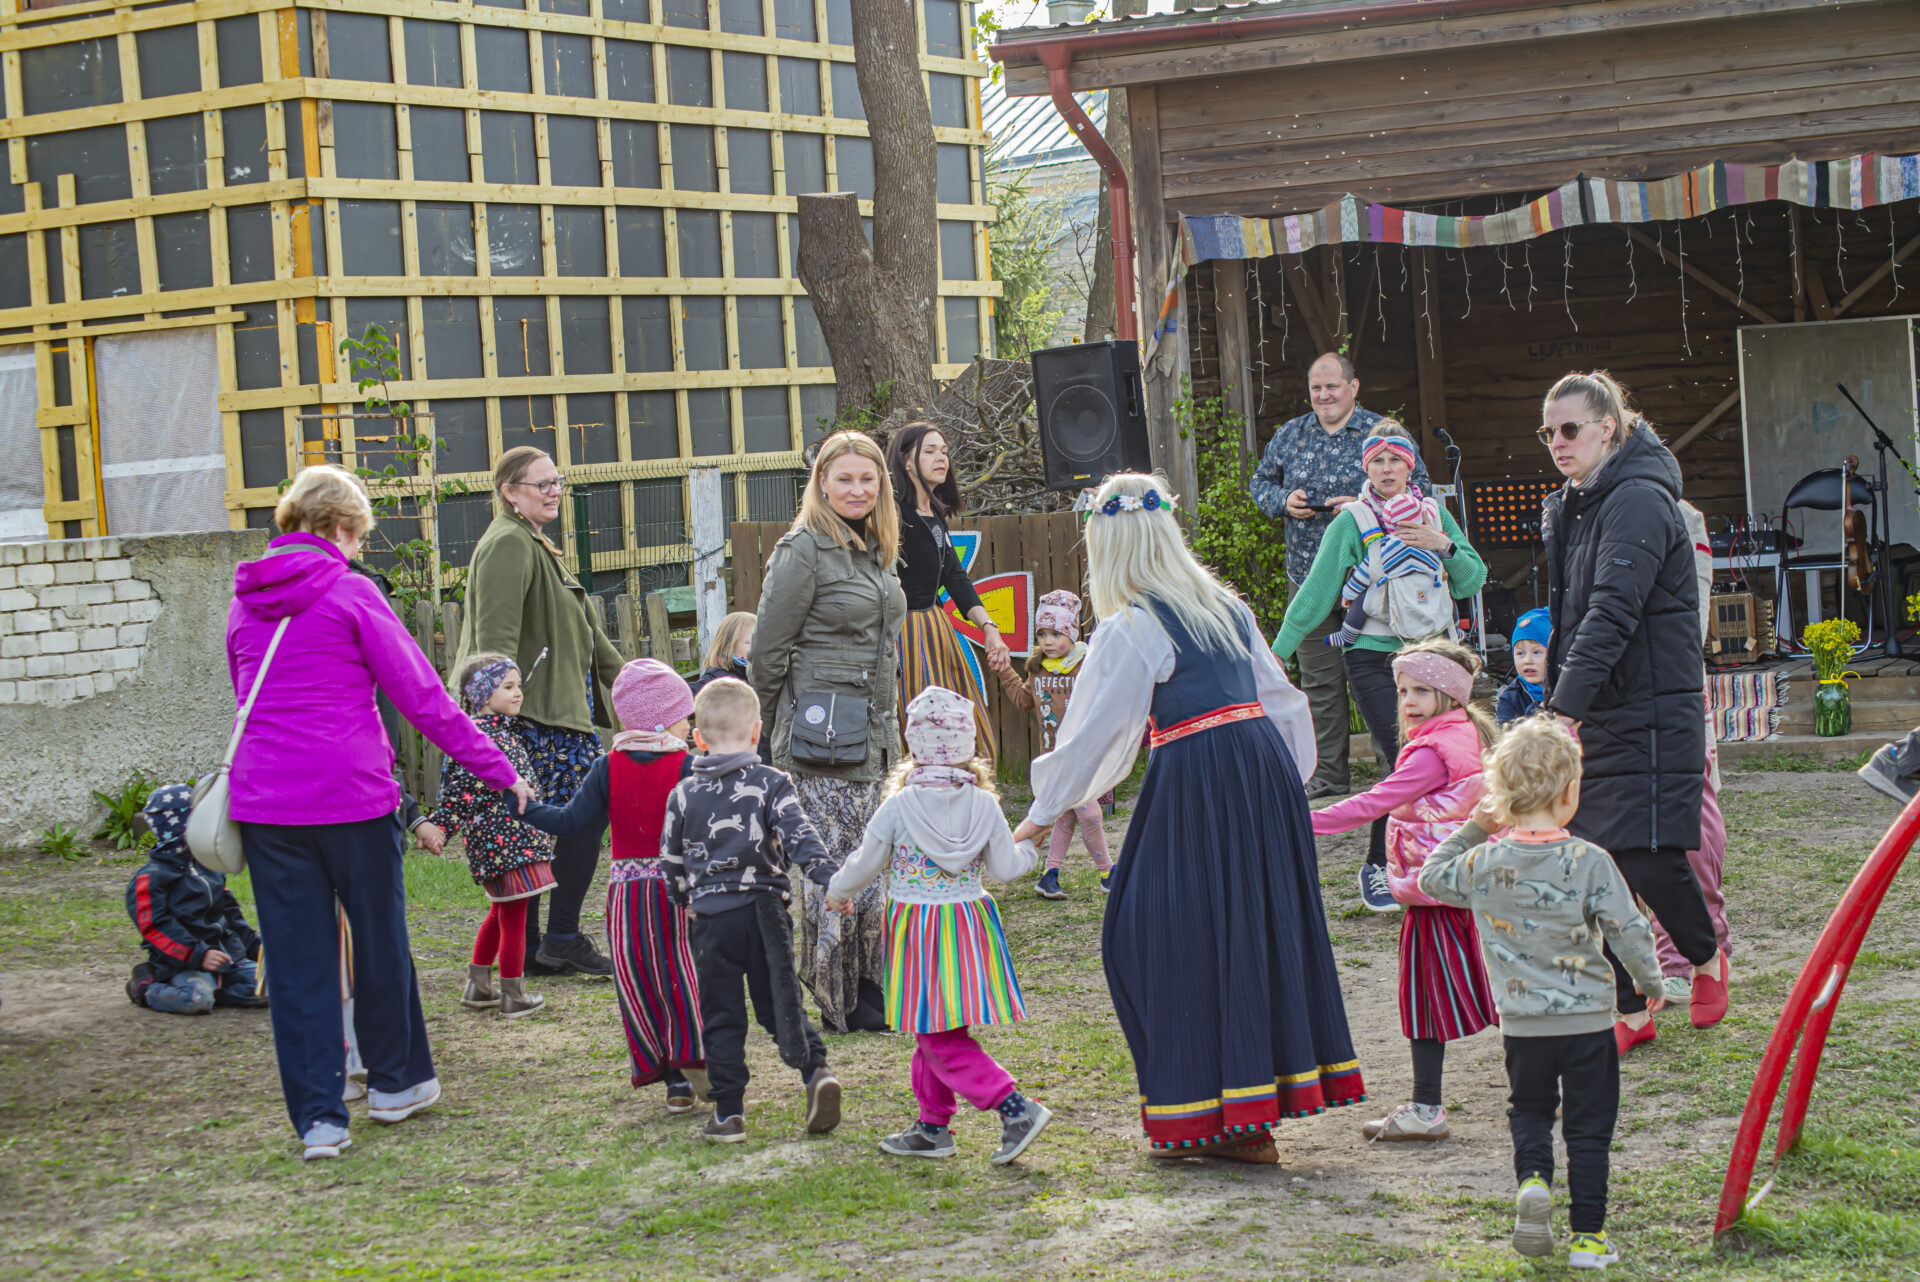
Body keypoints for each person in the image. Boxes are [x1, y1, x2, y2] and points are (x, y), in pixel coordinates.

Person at [1011, 473, 1365, 1162]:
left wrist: (1038, 815)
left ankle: (1216, 1118)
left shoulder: (1133, 625)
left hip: (1202, 774)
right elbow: (1282, 700)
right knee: (1241, 933)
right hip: (1259, 768)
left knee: (1151, 932)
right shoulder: (1223, 607)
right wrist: (1283, 787)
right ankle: (1242, 1120)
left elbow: (1092, 735)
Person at [226, 464, 534, 1161]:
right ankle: (396, 1084)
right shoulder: (351, 592)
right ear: (340, 527)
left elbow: (243, 698)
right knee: (378, 942)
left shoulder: (246, 602)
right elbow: (424, 699)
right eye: (361, 536)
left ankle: (319, 1120)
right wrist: (499, 768)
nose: (360, 548)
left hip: (267, 803)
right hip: (353, 797)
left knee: (298, 963)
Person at [1418, 716, 1667, 1271]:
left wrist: (1475, 829)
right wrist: (1649, 983)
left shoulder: (1484, 862)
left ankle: (1533, 1181)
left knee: (1530, 1111)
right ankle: (1588, 1239)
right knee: (1588, 1129)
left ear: (1500, 796)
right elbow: (1629, 930)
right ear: (1571, 792)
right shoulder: (1590, 861)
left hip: (1522, 1025)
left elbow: (1430, 878)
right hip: (1588, 1024)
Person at [1538, 371, 1726, 1052]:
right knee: (1594, 868)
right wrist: (1562, 699)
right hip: (1597, 705)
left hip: (1648, 705)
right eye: (1548, 432)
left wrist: (1563, 708)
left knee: (1648, 857)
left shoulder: (1641, 498)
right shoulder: (1570, 504)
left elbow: (1612, 612)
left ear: (1609, 428)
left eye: (1570, 429)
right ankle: (1631, 1010)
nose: (1557, 443)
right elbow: (1568, 617)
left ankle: (1706, 959)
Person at [826, 687, 1049, 1164]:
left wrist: (838, 892)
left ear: (914, 744)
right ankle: (932, 1127)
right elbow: (1006, 867)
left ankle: (1015, 1108)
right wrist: (1031, 847)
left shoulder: (898, 807)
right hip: (967, 925)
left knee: (936, 1034)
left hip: (918, 929)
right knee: (935, 1030)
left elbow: (865, 862)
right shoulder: (984, 804)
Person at [1272, 422, 1486, 913]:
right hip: (1374, 654)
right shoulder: (1353, 521)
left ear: (1410, 466)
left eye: (1395, 460)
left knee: (1444, 760)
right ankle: (1378, 866)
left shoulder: (1435, 514)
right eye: (1377, 461)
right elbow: (1316, 594)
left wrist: (1441, 543)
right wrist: (1276, 655)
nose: (1387, 470)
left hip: (1434, 658)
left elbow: (1472, 578)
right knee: (1404, 757)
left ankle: (1436, 858)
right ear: (1365, 467)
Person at [1309, 640, 1499, 1142]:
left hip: (1436, 895)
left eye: (1422, 690)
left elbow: (1374, 802)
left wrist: (1300, 821)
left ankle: (1426, 1108)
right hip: (1470, 890)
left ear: (1449, 694)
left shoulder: (1432, 752)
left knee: (1424, 1004)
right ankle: (1553, 1083)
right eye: (1403, 691)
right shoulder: (1466, 733)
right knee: (1500, 991)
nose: (1409, 701)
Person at [750, 430, 907, 1034]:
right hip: (819, 739)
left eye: (868, 479)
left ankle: (869, 983)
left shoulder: (875, 548)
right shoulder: (802, 550)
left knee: (873, 864)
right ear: (821, 482)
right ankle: (838, 992)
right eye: (844, 478)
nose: (857, 489)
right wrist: (761, 737)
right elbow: (768, 652)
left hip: (874, 733)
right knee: (833, 867)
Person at [456, 445, 624, 979]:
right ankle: (555, 939)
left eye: (557, 482)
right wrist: (501, 724)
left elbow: (592, 638)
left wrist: (641, 692)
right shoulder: (508, 543)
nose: (554, 492)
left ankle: (539, 943)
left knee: (552, 827)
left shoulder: (534, 542)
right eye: (542, 484)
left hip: (560, 715)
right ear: (509, 491)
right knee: (566, 824)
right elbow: (495, 642)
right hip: (535, 720)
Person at [520, 658, 708, 1112]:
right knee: (683, 975)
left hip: (627, 896)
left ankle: (669, 1077)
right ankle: (690, 1065)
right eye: (683, 715)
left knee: (638, 978)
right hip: (677, 890)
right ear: (662, 718)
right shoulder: (687, 766)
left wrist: (522, 805)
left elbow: (570, 823)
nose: (689, 724)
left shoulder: (607, 767)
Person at [662, 677, 843, 1142]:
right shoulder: (772, 782)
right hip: (765, 913)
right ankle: (816, 1072)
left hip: (712, 919)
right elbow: (801, 837)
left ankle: (728, 1113)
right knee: (779, 998)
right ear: (757, 732)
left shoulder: (683, 794)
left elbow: (671, 859)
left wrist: (685, 900)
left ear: (697, 739)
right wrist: (830, 879)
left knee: (721, 1013)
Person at [1250, 353, 1434, 802]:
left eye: (1332, 386)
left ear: (1353, 387)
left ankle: (1396, 768)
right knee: (1319, 681)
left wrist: (1366, 504)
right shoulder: (1290, 435)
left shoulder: (1382, 434)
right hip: (1308, 574)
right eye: (1316, 388)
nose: (1324, 395)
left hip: (1376, 579)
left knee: (1386, 674)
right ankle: (1328, 775)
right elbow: (1259, 483)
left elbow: (1422, 488)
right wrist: (1282, 500)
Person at [428, 652, 555, 1020]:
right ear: (483, 693)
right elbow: (460, 792)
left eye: (518, 686)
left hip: (515, 841)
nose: (518, 693)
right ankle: (513, 994)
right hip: (503, 843)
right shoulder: (477, 738)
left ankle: (479, 986)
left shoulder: (502, 731)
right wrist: (440, 828)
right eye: (508, 687)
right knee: (514, 915)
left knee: (501, 909)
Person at [887, 422, 1011, 763]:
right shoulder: (892, 513)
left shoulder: (934, 515)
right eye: (929, 451)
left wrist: (989, 629)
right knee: (919, 721)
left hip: (937, 630)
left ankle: (964, 789)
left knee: (960, 721)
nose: (941, 457)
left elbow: (956, 578)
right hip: (903, 635)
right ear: (906, 461)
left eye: (944, 451)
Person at [994, 589, 1112, 900]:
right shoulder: (1038, 669)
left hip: (1082, 756)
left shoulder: (1086, 666)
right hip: (1055, 759)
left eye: (1056, 633)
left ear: (1071, 633)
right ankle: (1108, 875)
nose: (1047, 641)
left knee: (1074, 815)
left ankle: (1051, 876)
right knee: (1086, 814)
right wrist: (1005, 671)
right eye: (1042, 634)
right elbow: (1024, 701)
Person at [124, 784, 265, 1015]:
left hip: (227, 959)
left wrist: (255, 948)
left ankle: (216, 989)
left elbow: (230, 914)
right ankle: (147, 987)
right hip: (181, 963)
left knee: (272, 987)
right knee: (195, 1000)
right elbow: (154, 927)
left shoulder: (209, 867)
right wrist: (197, 955)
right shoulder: (150, 878)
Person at [1324, 481, 1447, 649]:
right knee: (1445, 595)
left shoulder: (1386, 547)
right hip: (1426, 591)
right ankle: (1452, 627)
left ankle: (1347, 635)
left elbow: (1364, 573)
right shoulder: (1430, 541)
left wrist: (1349, 593)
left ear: (1388, 521)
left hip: (1393, 595)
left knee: (1362, 599)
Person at [1498, 609, 1552, 726]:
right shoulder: (1510, 699)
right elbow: (1509, 735)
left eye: (1536, 652)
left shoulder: (1568, 689)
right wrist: (1538, 711)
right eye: (1520, 653)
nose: (1527, 661)